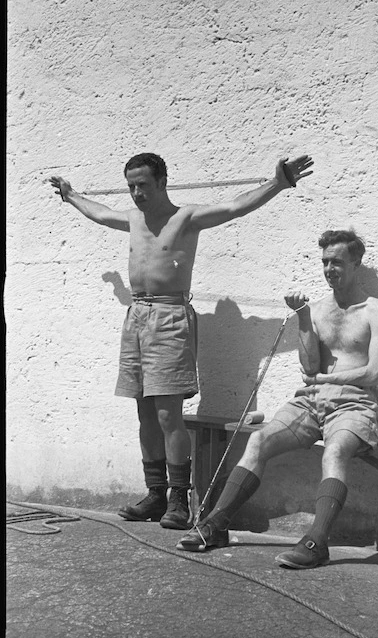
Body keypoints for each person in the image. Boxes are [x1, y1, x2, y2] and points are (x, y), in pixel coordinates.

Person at [47, 152, 313, 530]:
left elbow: (235, 207)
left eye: (143, 185)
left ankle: (179, 501)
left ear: (162, 182)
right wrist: (71, 195)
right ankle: (155, 495)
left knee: (168, 414)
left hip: (170, 317)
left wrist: (279, 182)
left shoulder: (185, 218)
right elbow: (101, 213)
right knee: (144, 412)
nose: (136, 193)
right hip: (137, 317)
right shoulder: (134, 219)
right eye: (131, 186)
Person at [177, 229, 378, 568]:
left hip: (355, 404)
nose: (328, 269)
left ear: (356, 262)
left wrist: (326, 378)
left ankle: (317, 542)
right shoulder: (318, 309)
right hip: (311, 400)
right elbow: (309, 368)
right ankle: (215, 525)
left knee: (334, 451)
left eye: (337, 262)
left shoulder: (375, 310)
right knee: (259, 440)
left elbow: (374, 373)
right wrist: (303, 316)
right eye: (324, 262)